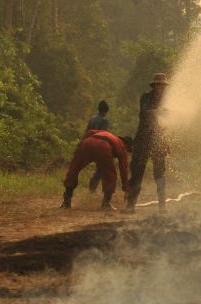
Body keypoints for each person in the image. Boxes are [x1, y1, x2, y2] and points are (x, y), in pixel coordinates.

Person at [126, 72, 170, 213]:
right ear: (154, 85)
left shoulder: (167, 100)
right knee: (137, 173)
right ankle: (130, 206)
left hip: (159, 140)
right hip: (143, 139)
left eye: (162, 85)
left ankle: (162, 208)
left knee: (160, 175)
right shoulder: (146, 97)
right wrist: (159, 111)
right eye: (158, 84)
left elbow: (167, 123)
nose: (160, 87)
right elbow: (145, 112)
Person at [60, 129, 131, 210]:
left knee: (74, 169)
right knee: (110, 175)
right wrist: (126, 187)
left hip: (87, 143)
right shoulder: (122, 147)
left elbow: (90, 132)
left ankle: (66, 202)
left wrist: (80, 146)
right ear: (127, 145)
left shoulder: (109, 135)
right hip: (103, 147)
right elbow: (123, 169)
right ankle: (106, 204)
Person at [84, 101, 113, 192]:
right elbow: (104, 135)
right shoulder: (104, 120)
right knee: (103, 168)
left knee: (100, 168)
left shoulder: (92, 118)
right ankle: (94, 187)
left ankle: (93, 187)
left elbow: (87, 131)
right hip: (99, 146)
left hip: (88, 144)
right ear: (106, 111)